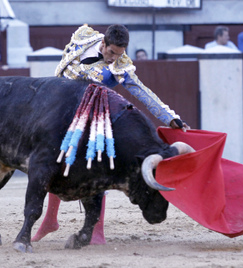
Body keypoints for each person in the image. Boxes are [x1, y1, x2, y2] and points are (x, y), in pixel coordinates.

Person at [33, 24, 190, 245]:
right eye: (111, 52)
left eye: (119, 54)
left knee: (98, 167)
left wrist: (170, 118)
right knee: (56, 162)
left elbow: (143, 92)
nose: (113, 58)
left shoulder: (121, 67)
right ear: (103, 43)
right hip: (61, 115)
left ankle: (98, 231)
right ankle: (50, 220)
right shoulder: (84, 38)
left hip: (93, 123)